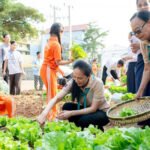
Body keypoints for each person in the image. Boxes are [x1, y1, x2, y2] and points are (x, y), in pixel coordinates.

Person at [37, 60, 109, 130]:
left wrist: (71, 113)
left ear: (88, 76)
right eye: (75, 77)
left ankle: (96, 129)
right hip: (86, 109)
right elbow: (57, 98)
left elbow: (93, 109)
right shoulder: (73, 82)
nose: (76, 80)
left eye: (80, 78)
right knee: (67, 106)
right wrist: (44, 114)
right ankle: (81, 129)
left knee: (83, 121)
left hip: (101, 112)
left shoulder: (97, 83)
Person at [40, 23, 73, 120]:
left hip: (48, 70)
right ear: (59, 32)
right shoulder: (56, 44)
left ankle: (53, 114)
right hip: (48, 70)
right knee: (52, 94)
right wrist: (70, 60)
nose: (62, 34)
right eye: (62, 31)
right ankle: (52, 116)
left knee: (53, 93)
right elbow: (58, 62)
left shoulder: (49, 42)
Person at [130, 0, 150, 97]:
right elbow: (147, 69)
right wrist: (140, 91)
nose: (137, 36)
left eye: (138, 31)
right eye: (134, 33)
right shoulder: (144, 44)